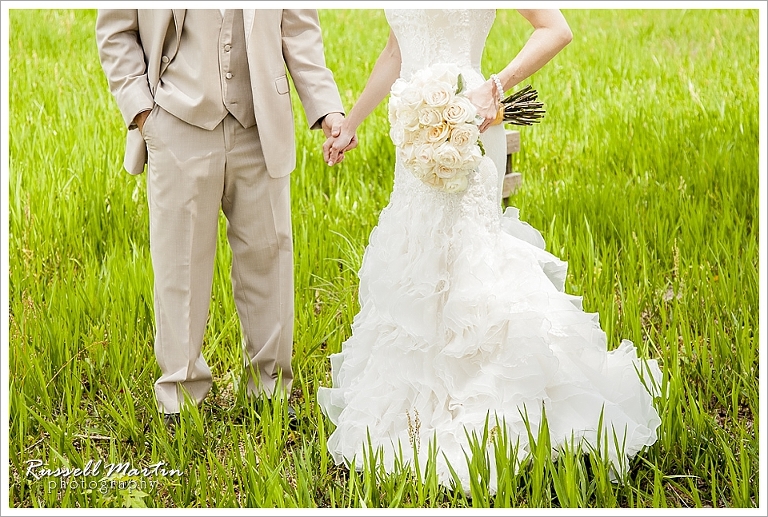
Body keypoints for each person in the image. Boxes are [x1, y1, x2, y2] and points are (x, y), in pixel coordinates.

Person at [317, 9, 662, 492]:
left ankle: (484, 401)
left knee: (469, 254)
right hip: (411, 135)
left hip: (472, 122)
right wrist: (352, 122)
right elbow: (396, 51)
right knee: (416, 249)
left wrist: (493, 87)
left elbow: (556, 30)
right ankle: (418, 407)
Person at [96, 9, 356, 429]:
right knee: (180, 266)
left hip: (259, 125)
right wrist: (144, 114)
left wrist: (328, 110)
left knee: (268, 256)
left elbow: (300, 32)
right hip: (176, 121)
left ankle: (267, 391)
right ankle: (180, 397)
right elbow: (115, 31)